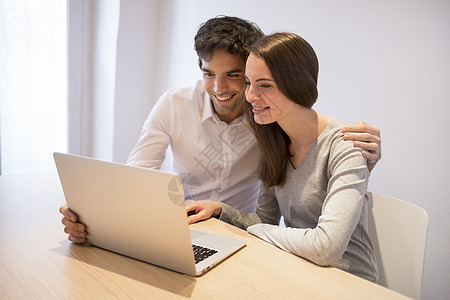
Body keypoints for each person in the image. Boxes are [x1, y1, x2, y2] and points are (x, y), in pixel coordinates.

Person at [59, 16, 381, 244]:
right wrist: (93, 220)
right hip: (178, 226)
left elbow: (312, 134)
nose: (220, 88)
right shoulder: (175, 105)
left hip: (237, 235)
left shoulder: (268, 121)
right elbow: (135, 179)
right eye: (209, 74)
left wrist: (365, 154)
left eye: (235, 75)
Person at [186, 32, 378, 282]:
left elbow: (326, 248)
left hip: (349, 282)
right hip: (299, 270)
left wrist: (258, 230)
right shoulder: (273, 139)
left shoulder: (346, 144)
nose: (250, 96)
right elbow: (265, 219)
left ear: (298, 86)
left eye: (264, 85)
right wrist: (221, 210)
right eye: (248, 82)